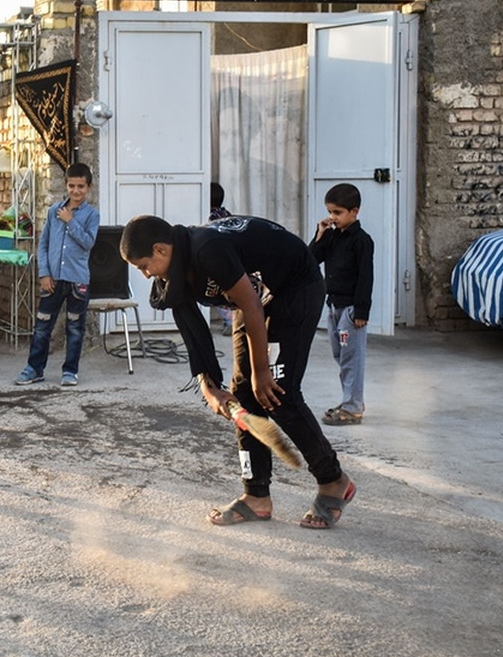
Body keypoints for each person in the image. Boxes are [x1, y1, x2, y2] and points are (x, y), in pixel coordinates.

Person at [120, 214, 356, 529]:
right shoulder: (173, 275)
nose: (147, 275)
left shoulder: (207, 250)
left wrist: (261, 371)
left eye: (144, 266)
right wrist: (210, 386)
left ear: (161, 250)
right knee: (242, 399)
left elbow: (252, 307)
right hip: (253, 298)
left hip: (294, 287)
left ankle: (333, 480)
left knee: (276, 392)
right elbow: (193, 331)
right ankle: (256, 496)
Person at [15, 163, 100, 387]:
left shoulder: (92, 215)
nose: (76, 191)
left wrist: (71, 221)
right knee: (42, 326)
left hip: (78, 280)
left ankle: (70, 371)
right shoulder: (54, 211)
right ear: (66, 185)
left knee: (74, 327)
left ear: (88, 187)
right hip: (52, 280)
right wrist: (44, 273)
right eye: (72, 186)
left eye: (81, 186)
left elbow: (88, 242)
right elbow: (43, 246)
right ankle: (34, 368)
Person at [310, 182, 374, 426]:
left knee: (352, 358)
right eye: (330, 212)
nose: (332, 217)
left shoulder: (362, 241)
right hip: (334, 306)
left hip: (350, 310)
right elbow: (311, 260)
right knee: (341, 354)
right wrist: (320, 235)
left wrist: (361, 310)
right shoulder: (332, 237)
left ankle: (353, 406)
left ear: (354, 212)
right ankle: (351, 400)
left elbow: (366, 277)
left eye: (337, 213)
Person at [208, 182, 234, 334]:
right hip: (231, 258)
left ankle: (229, 319)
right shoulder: (227, 214)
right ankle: (231, 319)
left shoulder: (210, 217)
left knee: (215, 290)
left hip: (218, 259)